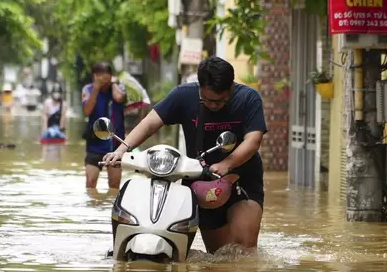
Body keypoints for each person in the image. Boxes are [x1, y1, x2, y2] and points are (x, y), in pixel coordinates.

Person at [102, 56, 268, 254]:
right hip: (200, 179)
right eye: (207, 100)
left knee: (243, 249)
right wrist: (122, 149)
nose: (214, 105)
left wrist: (227, 164)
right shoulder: (184, 95)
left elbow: (253, 141)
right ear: (199, 86)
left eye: (221, 100)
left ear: (231, 86)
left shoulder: (249, 98)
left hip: (241, 176)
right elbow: (150, 123)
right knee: (218, 256)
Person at [82, 61, 127, 190]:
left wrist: (112, 84)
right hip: (94, 144)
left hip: (115, 144)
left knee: (114, 184)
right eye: (99, 74)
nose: (103, 77)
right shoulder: (88, 89)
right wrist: (96, 88)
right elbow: (87, 111)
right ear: (94, 76)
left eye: (106, 74)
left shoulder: (119, 88)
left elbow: (119, 98)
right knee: (90, 183)